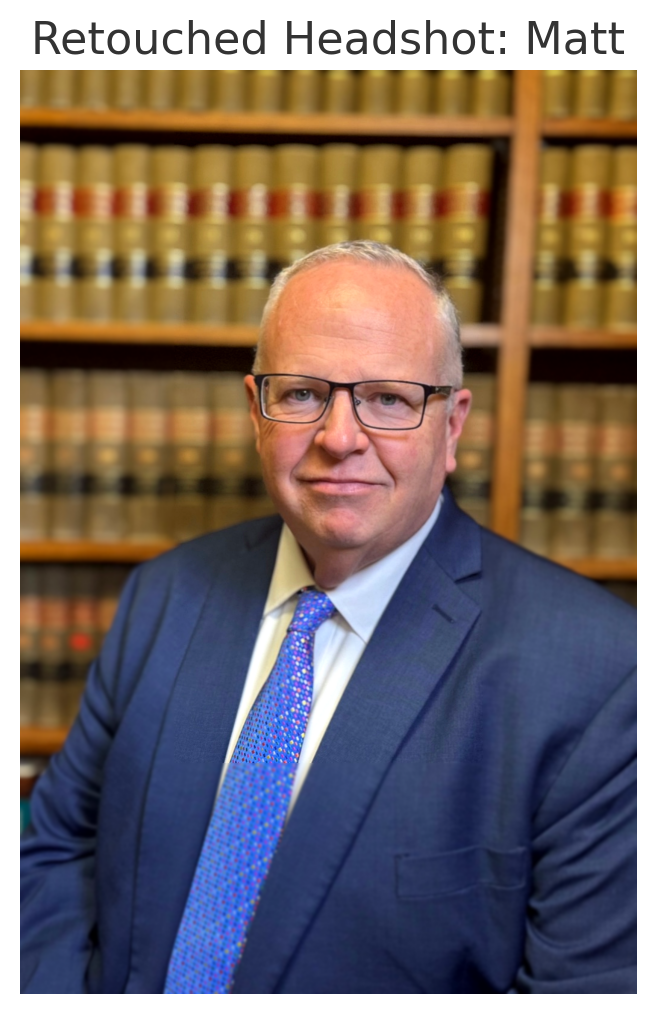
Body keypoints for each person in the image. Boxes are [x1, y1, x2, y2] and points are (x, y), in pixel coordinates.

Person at [21, 242, 636, 994]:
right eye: (304, 393)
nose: (340, 438)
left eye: (388, 398)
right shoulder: (166, 595)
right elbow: (57, 848)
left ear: (452, 426)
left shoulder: (601, 671)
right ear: (255, 411)